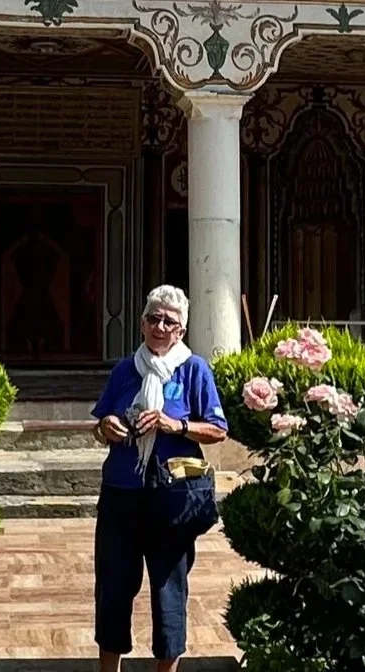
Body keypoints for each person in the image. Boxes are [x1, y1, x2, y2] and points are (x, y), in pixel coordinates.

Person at [91, 284, 228, 672]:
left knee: (169, 591)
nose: (160, 326)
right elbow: (100, 423)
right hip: (122, 492)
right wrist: (108, 426)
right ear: (141, 324)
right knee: (113, 588)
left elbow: (218, 430)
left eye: (170, 321)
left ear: (181, 330)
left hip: (173, 499)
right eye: (154, 318)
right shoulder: (124, 369)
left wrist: (176, 425)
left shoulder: (194, 369)